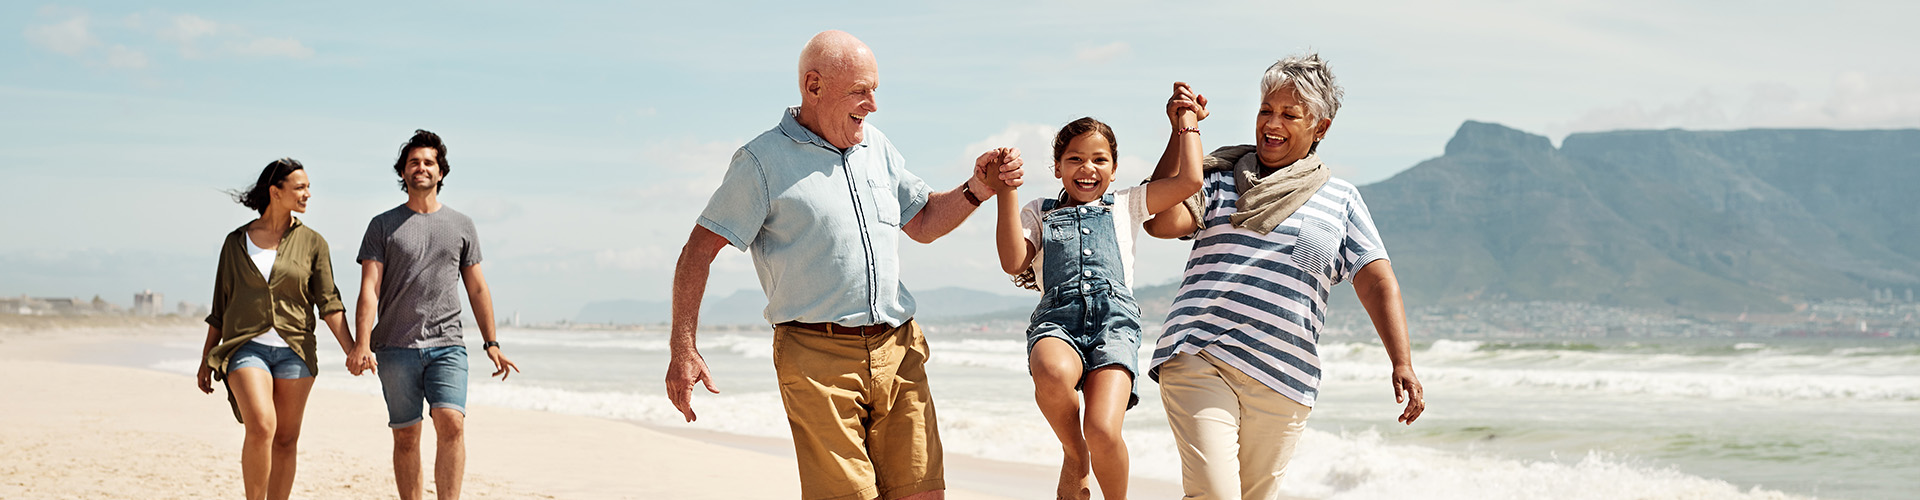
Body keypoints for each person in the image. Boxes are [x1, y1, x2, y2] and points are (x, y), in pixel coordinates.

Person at [663, 30, 1021, 500]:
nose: (872, 104)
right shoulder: (760, 161)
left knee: (923, 494)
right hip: (816, 358)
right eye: (860, 90)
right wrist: (683, 347)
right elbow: (697, 251)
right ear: (814, 87)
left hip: (898, 348)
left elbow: (925, 222)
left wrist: (979, 187)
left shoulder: (878, 146)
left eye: (875, 90)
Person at [1141, 53, 1426, 500]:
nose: (1272, 123)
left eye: (1290, 114)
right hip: (1200, 354)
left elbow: (1376, 281)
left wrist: (1402, 361)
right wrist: (1183, 131)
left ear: (1321, 127)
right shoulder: (1217, 179)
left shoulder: (1342, 199)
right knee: (1213, 493)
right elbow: (1158, 219)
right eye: (1266, 110)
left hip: (1284, 375)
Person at [982, 83, 1208, 499]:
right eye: (1075, 159)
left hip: (1114, 325)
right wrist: (1006, 192)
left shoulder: (1127, 204)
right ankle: (1074, 454)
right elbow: (1013, 260)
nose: (1087, 168)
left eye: (1099, 159)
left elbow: (1190, 179)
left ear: (1115, 168)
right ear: (1057, 168)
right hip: (1058, 320)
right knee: (1051, 371)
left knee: (1103, 429)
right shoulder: (1039, 211)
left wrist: (1185, 122)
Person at [352, 129, 519, 500]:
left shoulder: (462, 225)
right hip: (395, 347)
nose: (421, 168)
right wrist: (362, 343)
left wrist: (491, 342)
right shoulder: (382, 225)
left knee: (451, 422)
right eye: (414, 162)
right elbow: (369, 288)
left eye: (429, 162)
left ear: (440, 172)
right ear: (403, 172)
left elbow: (477, 287)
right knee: (406, 435)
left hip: (448, 344)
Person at [198, 158, 365, 500]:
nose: (307, 195)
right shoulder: (236, 243)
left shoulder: (314, 243)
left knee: (286, 440)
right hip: (246, 347)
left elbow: (329, 302)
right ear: (276, 192)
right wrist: (206, 359)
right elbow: (220, 306)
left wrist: (353, 348)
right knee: (261, 426)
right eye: (299, 188)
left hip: (296, 351)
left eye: (308, 188)